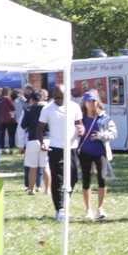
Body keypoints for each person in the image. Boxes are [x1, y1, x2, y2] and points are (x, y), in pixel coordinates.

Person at [38, 85, 84, 221]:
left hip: (72, 147)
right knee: (57, 178)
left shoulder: (74, 107)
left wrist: (81, 129)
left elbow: (80, 124)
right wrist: (42, 142)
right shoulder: (47, 109)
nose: (58, 100)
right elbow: (39, 129)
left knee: (73, 177)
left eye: (61, 97)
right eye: (56, 97)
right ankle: (60, 209)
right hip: (55, 148)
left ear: (67, 96)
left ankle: (65, 201)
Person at [78, 90, 117, 220]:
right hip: (84, 152)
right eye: (88, 101)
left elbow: (113, 133)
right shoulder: (80, 118)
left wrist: (100, 136)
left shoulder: (104, 118)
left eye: (93, 101)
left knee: (102, 179)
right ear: (84, 103)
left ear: (97, 102)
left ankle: (100, 208)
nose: (91, 103)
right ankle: (88, 210)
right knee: (86, 181)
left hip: (100, 152)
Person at [20, 90, 50, 195]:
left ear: (32, 99)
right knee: (45, 166)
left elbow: (23, 126)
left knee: (33, 167)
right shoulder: (48, 110)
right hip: (47, 139)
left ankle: (31, 189)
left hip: (32, 139)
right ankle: (47, 189)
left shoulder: (29, 110)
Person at [0, 87, 17, 154]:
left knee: (2, 134)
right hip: (8, 118)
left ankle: (2, 149)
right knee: (11, 134)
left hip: (1, 118)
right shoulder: (7, 98)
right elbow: (13, 107)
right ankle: (11, 149)